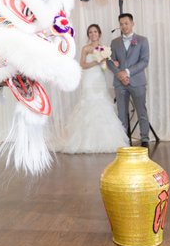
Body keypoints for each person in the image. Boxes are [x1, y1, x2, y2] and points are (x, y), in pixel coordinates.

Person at [57, 24, 129, 153]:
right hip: (88, 80)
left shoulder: (104, 48)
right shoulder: (86, 48)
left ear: (99, 34)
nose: (93, 34)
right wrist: (96, 61)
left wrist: (109, 62)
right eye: (90, 32)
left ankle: (104, 140)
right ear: (88, 35)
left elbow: (104, 68)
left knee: (102, 104)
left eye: (95, 31)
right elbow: (82, 65)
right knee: (88, 103)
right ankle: (84, 141)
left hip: (99, 80)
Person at [106, 13, 150, 147]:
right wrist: (119, 73)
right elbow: (110, 61)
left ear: (132, 23)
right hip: (119, 83)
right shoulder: (114, 42)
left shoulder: (142, 40)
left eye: (126, 23)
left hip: (137, 81)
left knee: (141, 110)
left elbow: (144, 61)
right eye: (121, 24)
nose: (124, 26)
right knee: (121, 112)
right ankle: (124, 140)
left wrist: (127, 72)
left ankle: (145, 139)